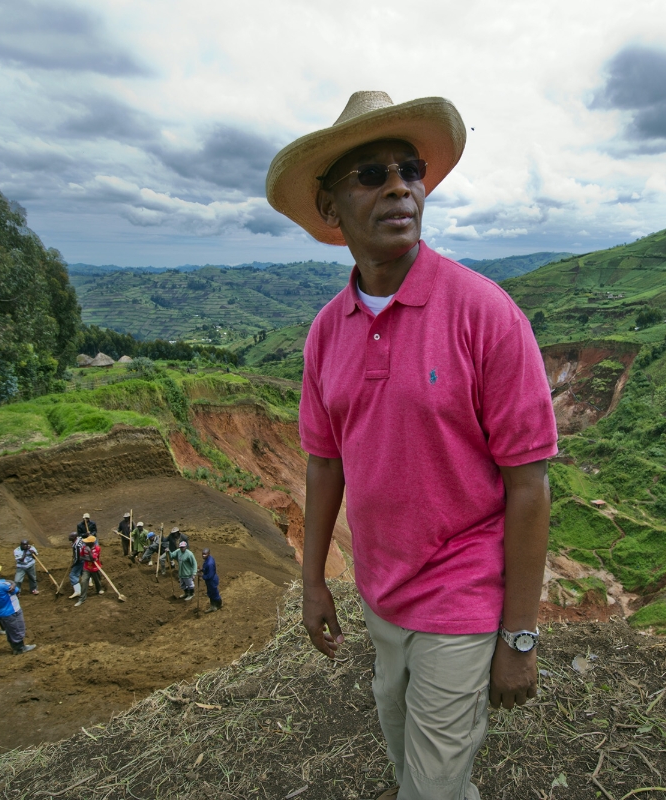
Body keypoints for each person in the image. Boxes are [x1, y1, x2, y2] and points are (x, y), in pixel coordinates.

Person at [267, 91, 557, 800]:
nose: (399, 186)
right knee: (410, 761)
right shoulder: (326, 332)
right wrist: (313, 582)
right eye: (372, 175)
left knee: (428, 788)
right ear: (331, 208)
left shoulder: (485, 314)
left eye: (410, 169)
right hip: (381, 593)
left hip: (461, 594)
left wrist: (519, 637)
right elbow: (325, 463)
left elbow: (528, 485)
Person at [0, 563, 36, 654]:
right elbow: (15, 590)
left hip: (0, 611)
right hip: (12, 610)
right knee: (17, 629)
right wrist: (13, 584)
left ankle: (15, 647)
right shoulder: (3, 585)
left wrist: (12, 583)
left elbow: (7, 582)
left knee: (9, 630)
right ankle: (20, 648)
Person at [75, 535, 102, 607]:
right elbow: (81, 557)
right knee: (83, 581)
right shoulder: (84, 548)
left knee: (97, 581)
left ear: (91, 543)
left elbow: (93, 559)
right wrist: (88, 559)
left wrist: (89, 552)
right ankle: (82, 599)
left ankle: (99, 589)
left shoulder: (97, 548)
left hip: (95, 568)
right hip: (86, 568)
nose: (85, 543)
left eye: (87, 542)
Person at [200, 548, 221, 612]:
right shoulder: (208, 559)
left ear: (208, 554)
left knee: (214, 593)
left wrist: (202, 575)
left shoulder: (210, 563)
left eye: (205, 554)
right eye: (203, 554)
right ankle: (213, 605)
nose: (203, 555)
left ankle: (218, 605)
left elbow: (209, 576)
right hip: (210, 580)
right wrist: (202, 570)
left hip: (212, 580)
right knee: (210, 593)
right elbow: (207, 569)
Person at [66, 532, 84, 599]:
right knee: (83, 572)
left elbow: (78, 558)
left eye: (71, 537)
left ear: (74, 538)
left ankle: (78, 591)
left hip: (80, 560)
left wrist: (74, 564)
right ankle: (88, 582)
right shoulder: (79, 539)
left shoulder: (77, 546)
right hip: (84, 558)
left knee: (73, 575)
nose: (69, 538)